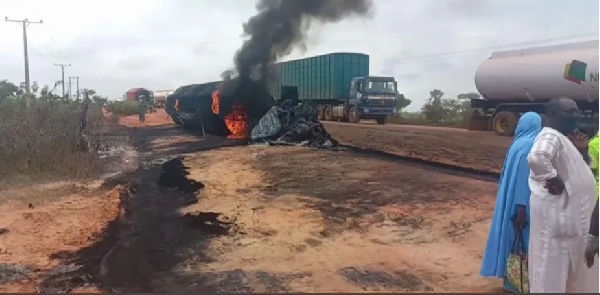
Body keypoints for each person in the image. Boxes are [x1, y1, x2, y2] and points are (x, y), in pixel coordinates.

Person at [526, 97, 599, 293]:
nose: (576, 115)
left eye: (576, 110)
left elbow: (581, 171)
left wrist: (582, 150)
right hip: (558, 225)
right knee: (550, 276)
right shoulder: (551, 135)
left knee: (567, 278)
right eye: (570, 111)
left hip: (568, 227)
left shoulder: (564, 138)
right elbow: (537, 156)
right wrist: (551, 178)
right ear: (552, 115)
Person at [480, 112, 542, 292]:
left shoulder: (517, 144)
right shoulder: (531, 146)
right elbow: (523, 181)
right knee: (522, 242)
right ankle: (521, 282)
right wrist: (522, 208)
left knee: (510, 240)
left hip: (510, 201)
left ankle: (510, 279)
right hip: (521, 204)